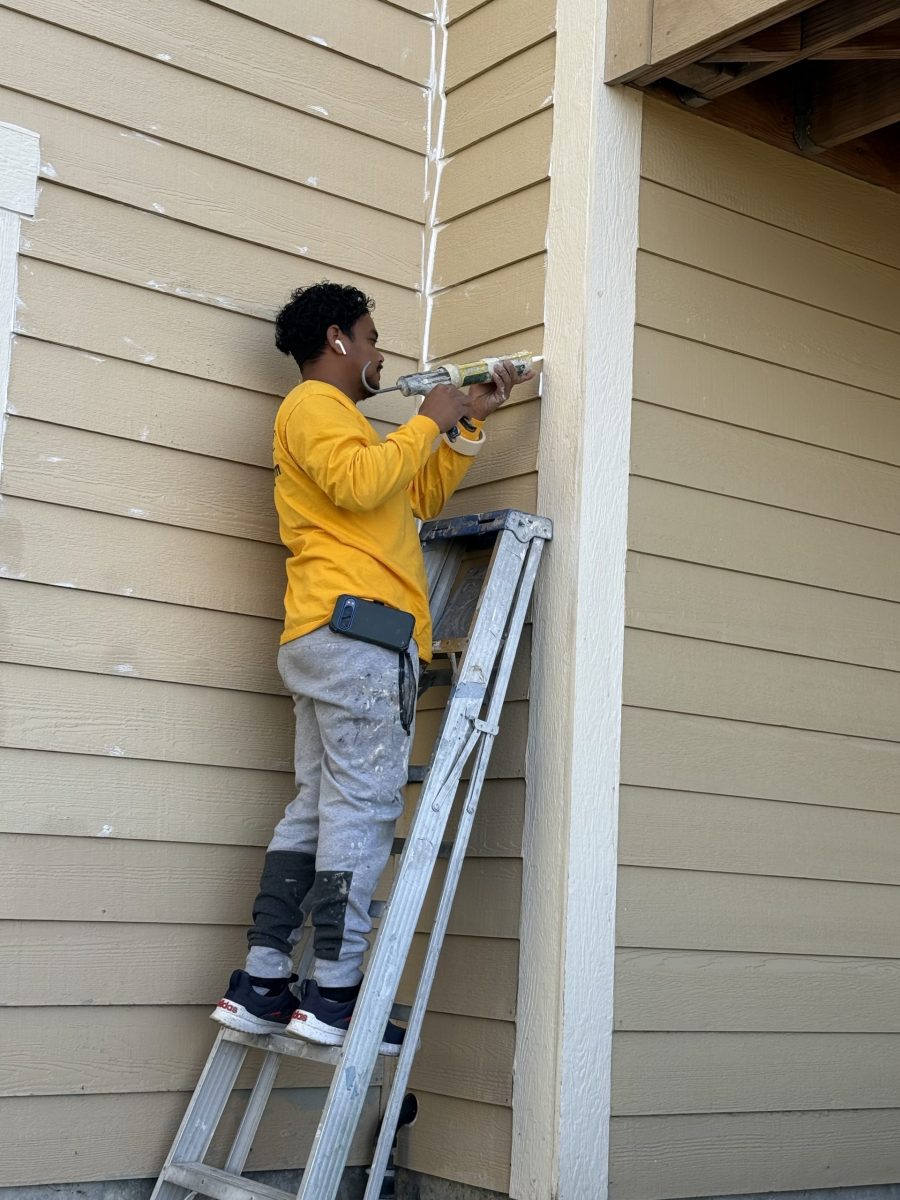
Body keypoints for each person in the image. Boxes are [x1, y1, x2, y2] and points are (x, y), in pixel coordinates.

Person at [212, 281, 532, 1055]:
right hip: (359, 637)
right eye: (371, 334)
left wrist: (461, 429)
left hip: (331, 634)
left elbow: (405, 495)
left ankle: (262, 982)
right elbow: (367, 480)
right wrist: (426, 417)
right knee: (361, 812)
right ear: (338, 340)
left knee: (319, 806)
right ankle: (333, 994)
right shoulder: (316, 409)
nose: (382, 351)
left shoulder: (341, 426)